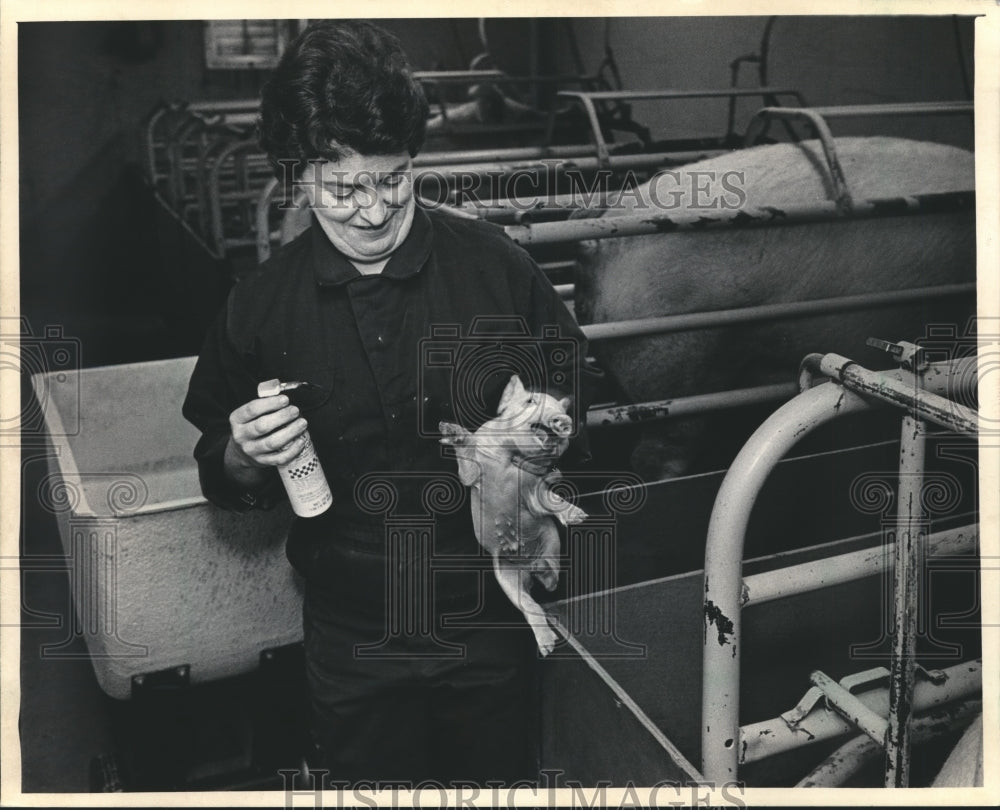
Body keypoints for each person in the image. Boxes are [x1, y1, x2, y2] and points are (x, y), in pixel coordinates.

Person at [182, 20, 591, 787]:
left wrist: (545, 432)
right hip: (351, 630)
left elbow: (573, 395)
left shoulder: (494, 268)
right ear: (295, 175)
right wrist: (241, 452)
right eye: (342, 189)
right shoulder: (259, 309)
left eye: (394, 179)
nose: (372, 211)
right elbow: (217, 462)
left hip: (489, 613)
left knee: (495, 786)